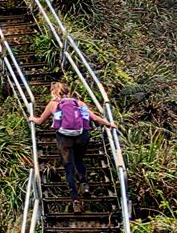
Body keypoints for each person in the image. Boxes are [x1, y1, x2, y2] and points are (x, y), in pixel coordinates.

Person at [28, 82, 116, 212]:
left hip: (64, 139)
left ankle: (75, 201)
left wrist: (31, 118)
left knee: (69, 168)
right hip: (82, 137)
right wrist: (109, 124)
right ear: (68, 92)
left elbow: (40, 121)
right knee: (79, 161)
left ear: (54, 92)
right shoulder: (79, 103)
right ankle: (84, 184)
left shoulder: (53, 105)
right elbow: (94, 118)